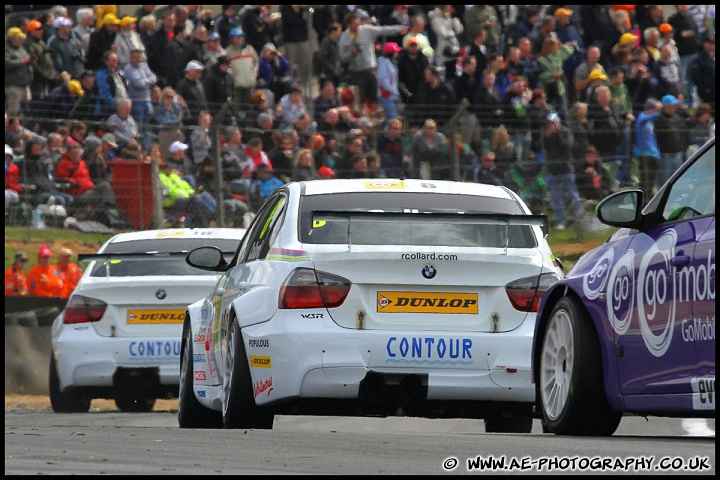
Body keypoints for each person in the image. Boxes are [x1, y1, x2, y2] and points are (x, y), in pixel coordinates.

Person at [338, 12, 409, 113]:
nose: (358, 26)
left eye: (359, 23)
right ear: (349, 25)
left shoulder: (366, 29)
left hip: (371, 69)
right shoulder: (344, 38)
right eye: (355, 24)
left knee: (374, 97)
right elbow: (343, 57)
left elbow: (383, 30)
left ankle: (375, 118)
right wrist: (351, 52)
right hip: (356, 72)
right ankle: (362, 118)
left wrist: (398, 29)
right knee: (360, 98)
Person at [542, 112, 584, 231]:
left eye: (553, 123)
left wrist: (558, 134)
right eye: (549, 123)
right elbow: (543, 148)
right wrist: (548, 136)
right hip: (553, 170)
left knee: (573, 195)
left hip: (566, 169)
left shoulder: (565, 132)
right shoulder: (547, 135)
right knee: (556, 198)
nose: (551, 125)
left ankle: (580, 218)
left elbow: (567, 146)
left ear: (558, 122)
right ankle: (561, 221)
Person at [159, 159, 216, 227]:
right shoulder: (161, 177)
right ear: (164, 169)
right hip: (173, 201)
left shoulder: (173, 175)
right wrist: (188, 196)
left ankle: (219, 212)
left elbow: (185, 186)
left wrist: (192, 193)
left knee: (204, 195)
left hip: (184, 197)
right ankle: (214, 216)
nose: (171, 169)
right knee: (197, 199)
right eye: (168, 168)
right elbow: (171, 191)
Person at [5, 27, 34, 118]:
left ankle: (22, 127)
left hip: (25, 84)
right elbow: (7, 63)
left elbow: (25, 58)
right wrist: (22, 61)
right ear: (13, 39)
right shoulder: (7, 49)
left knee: (26, 109)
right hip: (13, 85)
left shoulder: (21, 48)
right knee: (13, 111)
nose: (22, 40)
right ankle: (9, 128)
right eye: (20, 38)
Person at [225, 28, 258, 108]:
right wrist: (232, 75)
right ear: (231, 39)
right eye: (236, 37)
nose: (239, 39)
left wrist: (254, 72)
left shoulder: (249, 49)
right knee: (237, 107)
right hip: (237, 86)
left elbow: (256, 61)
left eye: (241, 36)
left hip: (250, 84)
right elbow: (226, 67)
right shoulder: (228, 52)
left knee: (249, 107)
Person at [176, 60, 209, 126]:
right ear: (189, 71)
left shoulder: (199, 83)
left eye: (200, 71)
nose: (200, 72)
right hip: (190, 121)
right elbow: (179, 102)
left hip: (203, 119)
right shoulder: (182, 85)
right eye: (197, 70)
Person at [377, 42, 402, 126]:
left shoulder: (391, 63)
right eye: (396, 52)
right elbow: (382, 78)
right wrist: (390, 90)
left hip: (392, 96)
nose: (397, 53)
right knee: (390, 122)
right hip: (386, 96)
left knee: (392, 120)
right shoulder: (383, 62)